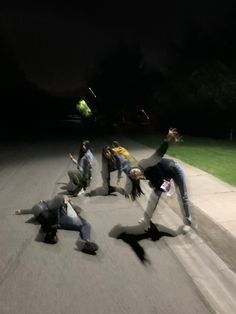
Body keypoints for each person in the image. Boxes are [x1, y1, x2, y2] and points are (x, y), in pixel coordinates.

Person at [127, 129, 192, 228]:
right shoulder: (143, 175)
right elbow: (159, 180)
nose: (135, 174)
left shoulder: (145, 164)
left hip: (175, 169)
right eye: (134, 176)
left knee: (183, 196)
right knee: (153, 198)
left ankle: (187, 221)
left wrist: (167, 138)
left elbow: (158, 154)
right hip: (164, 175)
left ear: (136, 168)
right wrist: (156, 185)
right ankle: (146, 219)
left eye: (134, 171)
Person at [15, 194, 99, 255]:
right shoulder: (46, 207)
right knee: (84, 224)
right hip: (59, 219)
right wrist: (21, 211)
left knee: (85, 224)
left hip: (62, 217)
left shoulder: (48, 204)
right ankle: (87, 242)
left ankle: (87, 243)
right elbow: (32, 210)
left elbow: (31, 210)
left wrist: (21, 211)